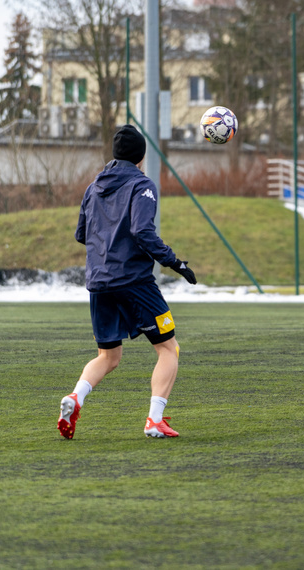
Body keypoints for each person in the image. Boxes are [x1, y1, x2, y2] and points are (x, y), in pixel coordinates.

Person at [57, 124, 198, 440]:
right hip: (134, 281)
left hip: (98, 282)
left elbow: (82, 234)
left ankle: (76, 397)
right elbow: (142, 232)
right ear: (141, 156)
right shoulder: (142, 186)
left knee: (109, 356)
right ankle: (154, 420)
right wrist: (175, 263)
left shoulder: (93, 187)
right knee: (168, 348)